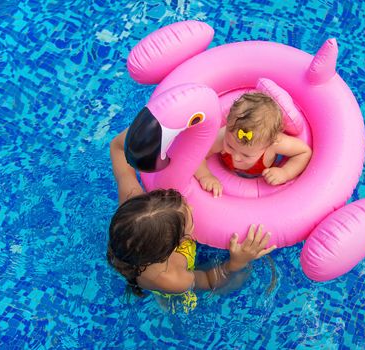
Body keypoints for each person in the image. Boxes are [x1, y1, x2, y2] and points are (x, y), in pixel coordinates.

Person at [109, 131, 276, 312]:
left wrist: (157, 128)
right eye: (188, 217)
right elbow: (209, 280)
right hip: (168, 286)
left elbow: (117, 147)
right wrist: (236, 263)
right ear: (179, 242)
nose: (194, 208)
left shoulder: (131, 202)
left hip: (141, 250)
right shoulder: (171, 278)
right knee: (246, 276)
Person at [194, 92, 312, 197]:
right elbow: (197, 156)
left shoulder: (276, 144)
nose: (236, 157)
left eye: (246, 155)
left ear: (270, 144)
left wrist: (285, 172)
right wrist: (205, 176)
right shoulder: (222, 138)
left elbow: (303, 152)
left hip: (266, 169)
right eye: (230, 146)